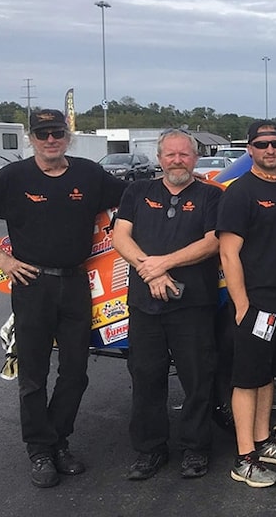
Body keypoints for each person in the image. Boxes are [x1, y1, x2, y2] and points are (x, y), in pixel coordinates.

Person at [0, 109, 125, 488]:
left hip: (76, 283)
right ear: (31, 139)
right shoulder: (12, 178)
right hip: (32, 285)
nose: (50, 140)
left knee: (75, 372)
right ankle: (39, 450)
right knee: (33, 376)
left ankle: (58, 440)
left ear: (67, 136)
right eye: (42, 134)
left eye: (56, 133)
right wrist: (3, 258)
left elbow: (135, 197)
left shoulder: (89, 174)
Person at [112, 128, 222, 481]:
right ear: (159, 159)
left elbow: (212, 242)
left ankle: (195, 449)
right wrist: (152, 270)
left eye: (184, 154)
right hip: (145, 305)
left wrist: (166, 262)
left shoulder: (210, 195)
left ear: (195, 158)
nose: (177, 160)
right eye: (170, 154)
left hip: (194, 307)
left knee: (198, 380)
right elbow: (119, 236)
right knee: (146, 379)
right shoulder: (137, 191)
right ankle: (150, 449)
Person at [217, 120, 276, 488]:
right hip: (257, 305)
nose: (270, 150)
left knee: (268, 375)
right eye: (261, 144)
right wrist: (241, 306)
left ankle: (264, 440)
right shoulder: (240, 193)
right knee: (247, 378)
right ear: (250, 149)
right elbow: (228, 253)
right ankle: (244, 458)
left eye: (275, 144)